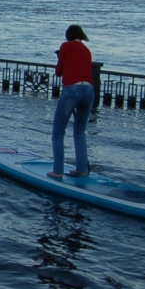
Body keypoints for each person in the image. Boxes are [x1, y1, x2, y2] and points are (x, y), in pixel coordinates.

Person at [49, 24, 94, 179]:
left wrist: (60, 57)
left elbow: (59, 72)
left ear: (68, 35)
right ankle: (82, 169)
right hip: (89, 90)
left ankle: (58, 171)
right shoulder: (87, 51)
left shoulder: (66, 47)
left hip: (72, 90)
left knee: (58, 132)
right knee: (80, 132)